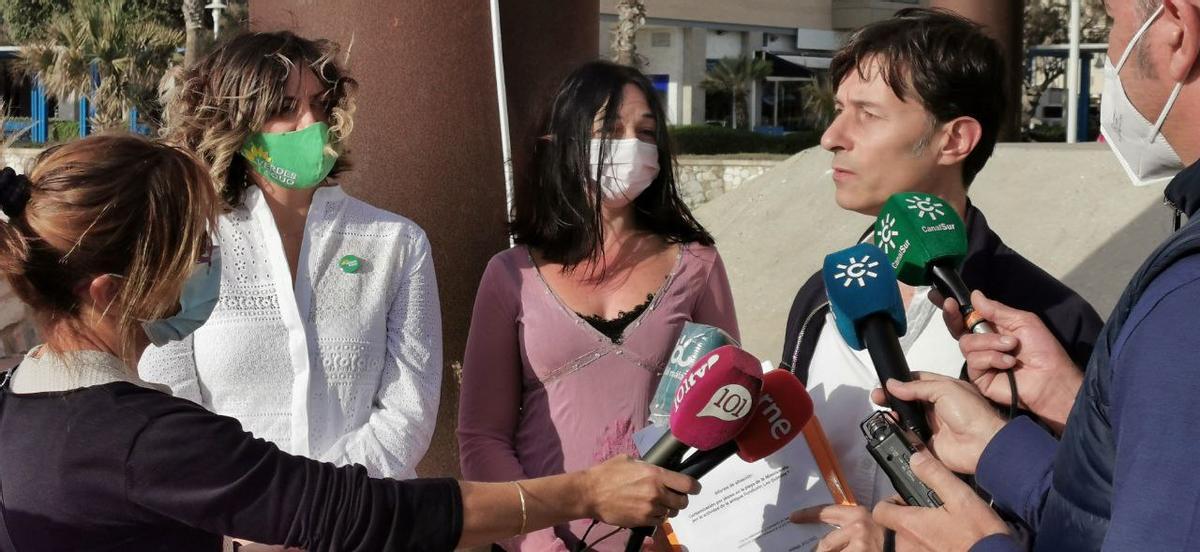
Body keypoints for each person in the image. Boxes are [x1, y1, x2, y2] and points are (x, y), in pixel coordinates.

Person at [0, 133, 700, 552]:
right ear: (110, 292)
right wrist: (583, 491)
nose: (210, 262)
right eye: (193, 250)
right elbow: (366, 514)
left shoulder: (18, 401)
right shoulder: (142, 437)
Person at [871, 0, 1200, 549]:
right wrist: (1044, 412)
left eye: (1112, 20)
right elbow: (1128, 503)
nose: (1111, 52)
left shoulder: (1186, 299)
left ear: (1175, 30)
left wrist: (980, 543)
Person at [779, 8, 1104, 550]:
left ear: (954, 140)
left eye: (867, 114)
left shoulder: (1044, 320)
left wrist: (889, 539)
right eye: (838, 110)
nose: (832, 137)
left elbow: (1093, 515)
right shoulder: (819, 295)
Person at [456, 60, 739, 551]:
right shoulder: (509, 275)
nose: (631, 144)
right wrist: (542, 543)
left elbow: (727, 415)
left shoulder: (698, 266)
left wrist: (685, 532)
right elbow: (482, 438)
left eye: (645, 131)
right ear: (561, 141)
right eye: (610, 129)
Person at [141, 31, 440, 480]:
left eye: (320, 104)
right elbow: (165, 393)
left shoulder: (397, 243)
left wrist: (322, 508)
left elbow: (409, 413)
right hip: (233, 528)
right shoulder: (189, 243)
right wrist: (260, 513)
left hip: (365, 525)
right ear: (237, 124)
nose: (311, 124)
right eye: (285, 109)